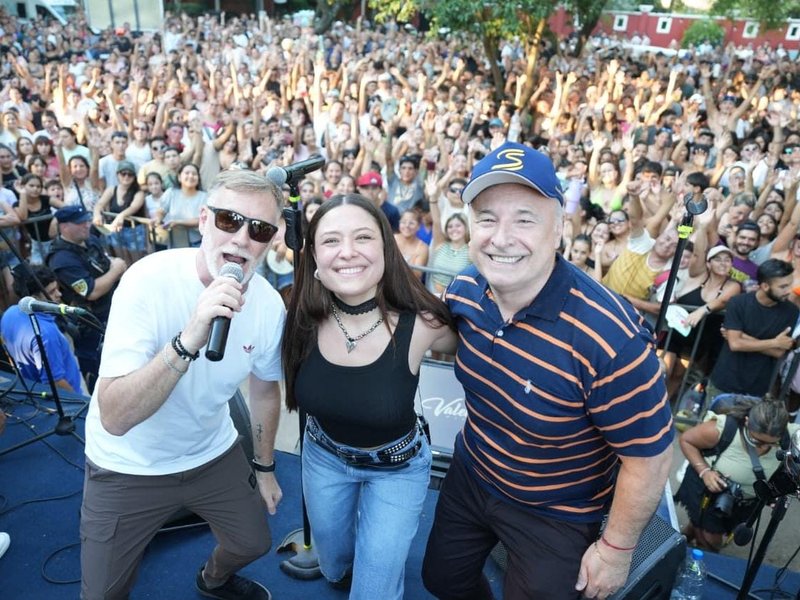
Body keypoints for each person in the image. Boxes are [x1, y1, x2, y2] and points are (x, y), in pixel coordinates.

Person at [422, 142, 674, 600]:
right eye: (487, 218)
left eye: (524, 218)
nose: (501, 237)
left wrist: (616, 550)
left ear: (559, 229)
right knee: (441, 580)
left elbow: (649, 457)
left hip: (558, 510)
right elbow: (438, 337)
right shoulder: (464, 290)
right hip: (473, 472)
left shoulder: (610, 338)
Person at [80, 169, 285, 600]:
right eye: (230, 220)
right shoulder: (146, 280)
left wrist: (264, 468)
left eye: (260, 229)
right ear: (204, 220)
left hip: (212, 452)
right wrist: (189, 337)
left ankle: (212, 579)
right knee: (102, 595)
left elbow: (265, 388)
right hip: (129, 464)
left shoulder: (267, 304)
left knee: (254, 543)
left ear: (271, 240)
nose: (242, 239)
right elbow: (115, 417)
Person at [281, 193, 456, 599]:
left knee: (374, 589)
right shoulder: (297, 314)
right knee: (334, 564)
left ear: (384, 247)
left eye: (362, 237)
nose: (347, 252)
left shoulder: (424, 322)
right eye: (330, 241)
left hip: (398, 468)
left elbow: (484, 344)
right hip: (322, 456)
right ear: (314, 257)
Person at [675, 396, 798, 551]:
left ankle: (685, 537)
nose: (764, 447)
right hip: (707, 491)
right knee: (711, 541)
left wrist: (778, 493)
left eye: (773, 443)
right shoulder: (722, 429)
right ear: (746, 422)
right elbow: (686, 440)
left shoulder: (793, 436)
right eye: (757, 441)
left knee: (701, 526)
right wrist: (705, 471)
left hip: (747, 501)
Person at [46, 205, 127, 391]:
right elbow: (91, 292)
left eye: (87, 220)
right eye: (80, 223)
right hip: (90, 323)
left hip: (111, 311)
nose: (87, 225)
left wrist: (113, 268)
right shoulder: (62, 259)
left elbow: (106, 261)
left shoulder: (90, 240)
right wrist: (116, 269)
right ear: (64, 226)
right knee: (98, 374)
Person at [706, 259, 799, 402]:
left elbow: (779, 352)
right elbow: (735, 345)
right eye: (783, 286)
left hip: (758, 389)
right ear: (765, 286)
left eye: (789, 285)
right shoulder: (739, 303)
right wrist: (774, 342)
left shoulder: (791, 312)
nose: (789, 291)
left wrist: (742, 336)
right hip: (724, 382)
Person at [0, 264, 84, 393]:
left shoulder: (9, 314)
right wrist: (81, 401)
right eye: (51, 291)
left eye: (57, 288)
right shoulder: (46, 334)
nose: (59, 294)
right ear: (33, 298)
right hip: (70, 402)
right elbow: (55, 381)